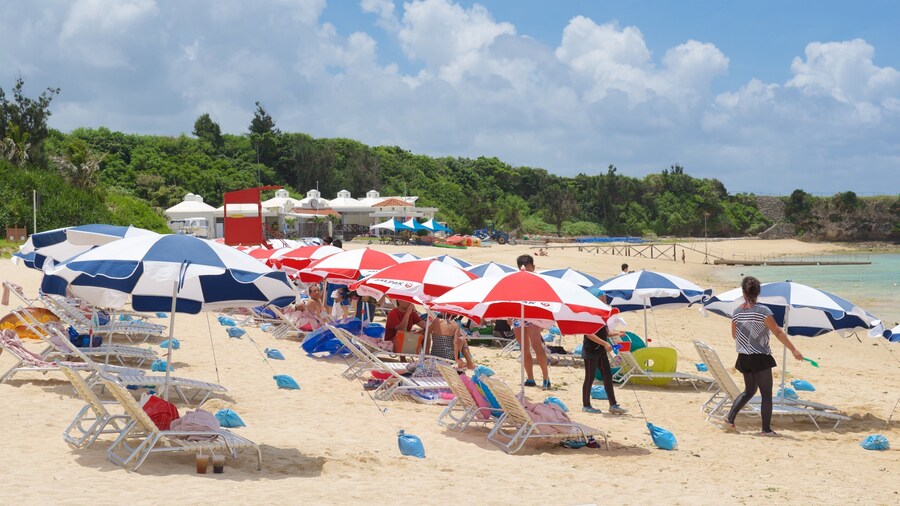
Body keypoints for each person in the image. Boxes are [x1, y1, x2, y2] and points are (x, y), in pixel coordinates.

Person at [722, 276, 803, 435]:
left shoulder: (737, 312)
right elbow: (778, 332)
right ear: (758, 292)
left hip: (743, 357)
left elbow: (734, 335)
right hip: (760, 357)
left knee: (749, 391)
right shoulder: (763, 311)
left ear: (743, 292)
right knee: (766, 395)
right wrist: (794, 350)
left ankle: (729, 420)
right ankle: (766, 429)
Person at [581, 289, 628, 414]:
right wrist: (605, 343)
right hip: (590, 350)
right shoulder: (590, 314)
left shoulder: (603, 314)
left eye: (605, 298)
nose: (604, 300)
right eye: (602, 298)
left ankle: (613, 405)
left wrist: (617, 333)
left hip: (601, 350)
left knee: (607, 376)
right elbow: (589, 334)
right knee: (589, 378)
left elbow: (604, 333)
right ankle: (586, 405)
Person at [512, 254, 551, 390]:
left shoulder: (539, 281)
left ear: (533, 267)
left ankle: (546, 377)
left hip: (534, 314)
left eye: (529, 269)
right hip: (519, 314)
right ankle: (530, 378)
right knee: (524, 348)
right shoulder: (515, 281)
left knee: (536, 345)